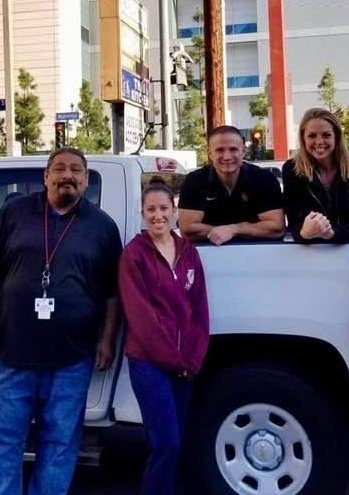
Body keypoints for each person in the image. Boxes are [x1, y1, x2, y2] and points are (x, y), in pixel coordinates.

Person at [0, 146, 123, 495]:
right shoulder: (14, 212)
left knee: (60, 444)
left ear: (86, 181)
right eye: (59, 168)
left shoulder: (102, 226)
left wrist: (106, 339)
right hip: (12, 354)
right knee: (4, 441)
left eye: (75, 170)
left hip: (72, 359)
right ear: (45, 176)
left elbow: (113, 292)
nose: (67, 174)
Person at [119, 178, 209, 495]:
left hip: (185, 364)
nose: (158, 215)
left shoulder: (188, 252)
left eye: (163, 208)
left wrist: (194, 358)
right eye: (151, 210)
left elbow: (200, 309)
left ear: (174, 211)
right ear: (142, 214)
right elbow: (139, 316)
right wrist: (175, 360)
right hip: (149, 363)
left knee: (179, 441)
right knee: (166, 443)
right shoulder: (134, 255)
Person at [282, 108, 349, 243]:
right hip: (311, 255)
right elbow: (294, 224)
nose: (319, 141)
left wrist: (333, 234)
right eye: (312, 136)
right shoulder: (292, 170)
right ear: (303, 138)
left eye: (326, 135)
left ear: (337, 136)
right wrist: (304, 234)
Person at [178, 125, 285, 243]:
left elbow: (277, 228)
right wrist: (226, 232)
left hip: (258, 255)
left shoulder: (264, 179)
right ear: (210, 154)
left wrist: (235, 229)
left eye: (233, 149)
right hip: (207, 256)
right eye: (220, 150)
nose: (227, 157)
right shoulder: (194, 181)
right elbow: (188, 230)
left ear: (243, 151)